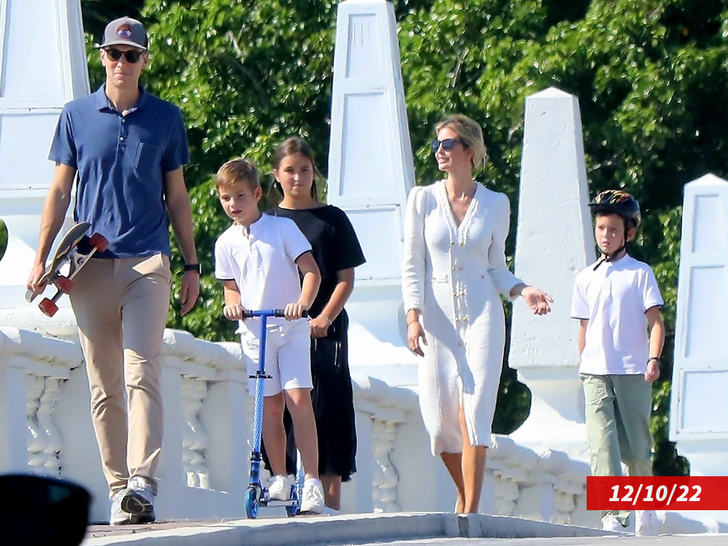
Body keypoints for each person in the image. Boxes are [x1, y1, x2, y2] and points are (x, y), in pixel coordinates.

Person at [26, 17, 200, 525]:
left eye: (131, 55)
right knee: (104, 383)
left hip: (147, 259)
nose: (121, 63)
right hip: (87, 264)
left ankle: (144, 479)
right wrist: (40, 256)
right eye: (113, 54)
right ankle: (122, 490)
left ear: (144, 60)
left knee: (141, 369)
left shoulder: (166, 118)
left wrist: (191, 264)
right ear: (101, 57)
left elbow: (178, 196)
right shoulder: (77, 115)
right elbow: (60, 191)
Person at [402, 114, 553, 514]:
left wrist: (524, 290)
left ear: (469, 150)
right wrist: (413, 316)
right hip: (436, 319)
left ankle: (470, 512)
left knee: (476, 411)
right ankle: (464, 493)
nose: (439, 151)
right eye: (437, 144)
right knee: (438, 423)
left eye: (448, 144)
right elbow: (413, 264)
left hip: (483, 314)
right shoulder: (422, 199)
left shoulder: (494, 203)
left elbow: (496, 267)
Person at [213, 158, 326, 515]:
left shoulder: (282, 229)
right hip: (254, 332)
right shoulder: (226, 242)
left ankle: (311, 482)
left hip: (289, 328)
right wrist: (233, 305)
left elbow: (311, 272)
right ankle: (280, 476)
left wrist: (302, 303)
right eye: (226, 198)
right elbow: (232, 288)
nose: (234, 205)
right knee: (269, 406)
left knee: (298, 399)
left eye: (240, 196)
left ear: (257, 194)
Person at [268, 137, 366, 514]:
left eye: (305, 170)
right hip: (280, 330)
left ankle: (331, 504)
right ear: (276, 175)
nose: (297, 177)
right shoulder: (267, 222)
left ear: (314, 173)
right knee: (284, 408)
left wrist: (325, 316)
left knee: (328, 410)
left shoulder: (332, 218)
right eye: (289, 170)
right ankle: (288, 493)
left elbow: (345, 277)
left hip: (324, 331)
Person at [571, 190, 665, 536]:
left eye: (612, 229)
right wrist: (585, 363)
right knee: (601, 445)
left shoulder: (640, 273)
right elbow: (584, 327)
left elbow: (656, 323)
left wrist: (653, 359)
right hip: (595, 371)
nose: (605, 236)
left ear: (629, 233)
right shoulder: (585, 278)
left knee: (636, 447)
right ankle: (611, 513)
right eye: (600, 229)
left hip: (633, 370)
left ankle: (645, 504)